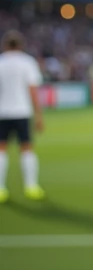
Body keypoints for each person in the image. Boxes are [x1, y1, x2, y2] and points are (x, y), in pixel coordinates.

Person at [0, 30, 45, 202]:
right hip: (22, 111)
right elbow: (33, 90)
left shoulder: (1, 62)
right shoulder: (27, 62)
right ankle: (31, 186)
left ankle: (1, 189)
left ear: (5, 45)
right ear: (20, 45)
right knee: (26, 149)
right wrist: (39, 115)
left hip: (2, 112)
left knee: (1, 150)